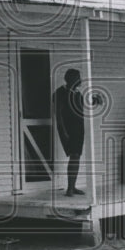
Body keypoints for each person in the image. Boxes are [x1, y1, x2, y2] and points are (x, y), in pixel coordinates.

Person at [53, 68, 85, 197]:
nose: (80, 80)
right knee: (74, 156)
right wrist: (63, 131)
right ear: (71, 79)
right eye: (77, 77)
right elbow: (58, 114)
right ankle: (70, 189)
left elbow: (83, 107)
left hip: (79, 128)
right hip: (68, 129)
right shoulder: (60, 93)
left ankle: (72, 186)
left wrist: (95, 100)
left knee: (76, 157)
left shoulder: (78, 94)